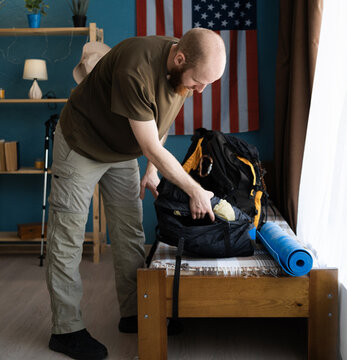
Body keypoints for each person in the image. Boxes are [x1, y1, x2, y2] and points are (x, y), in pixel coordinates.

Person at [45, 28, 226, 360]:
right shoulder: (136, 67)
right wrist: (196, 190)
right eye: (198, 81)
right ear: (179, 57)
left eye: (206, 84)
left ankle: (133, 315)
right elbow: (149, 145)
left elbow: (162, 118)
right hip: (81, 144)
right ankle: (66, 330)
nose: (200, 90)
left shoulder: (183, 72)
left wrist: (153, 169)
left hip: (120, 151)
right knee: (67, 237)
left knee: (129, 232)